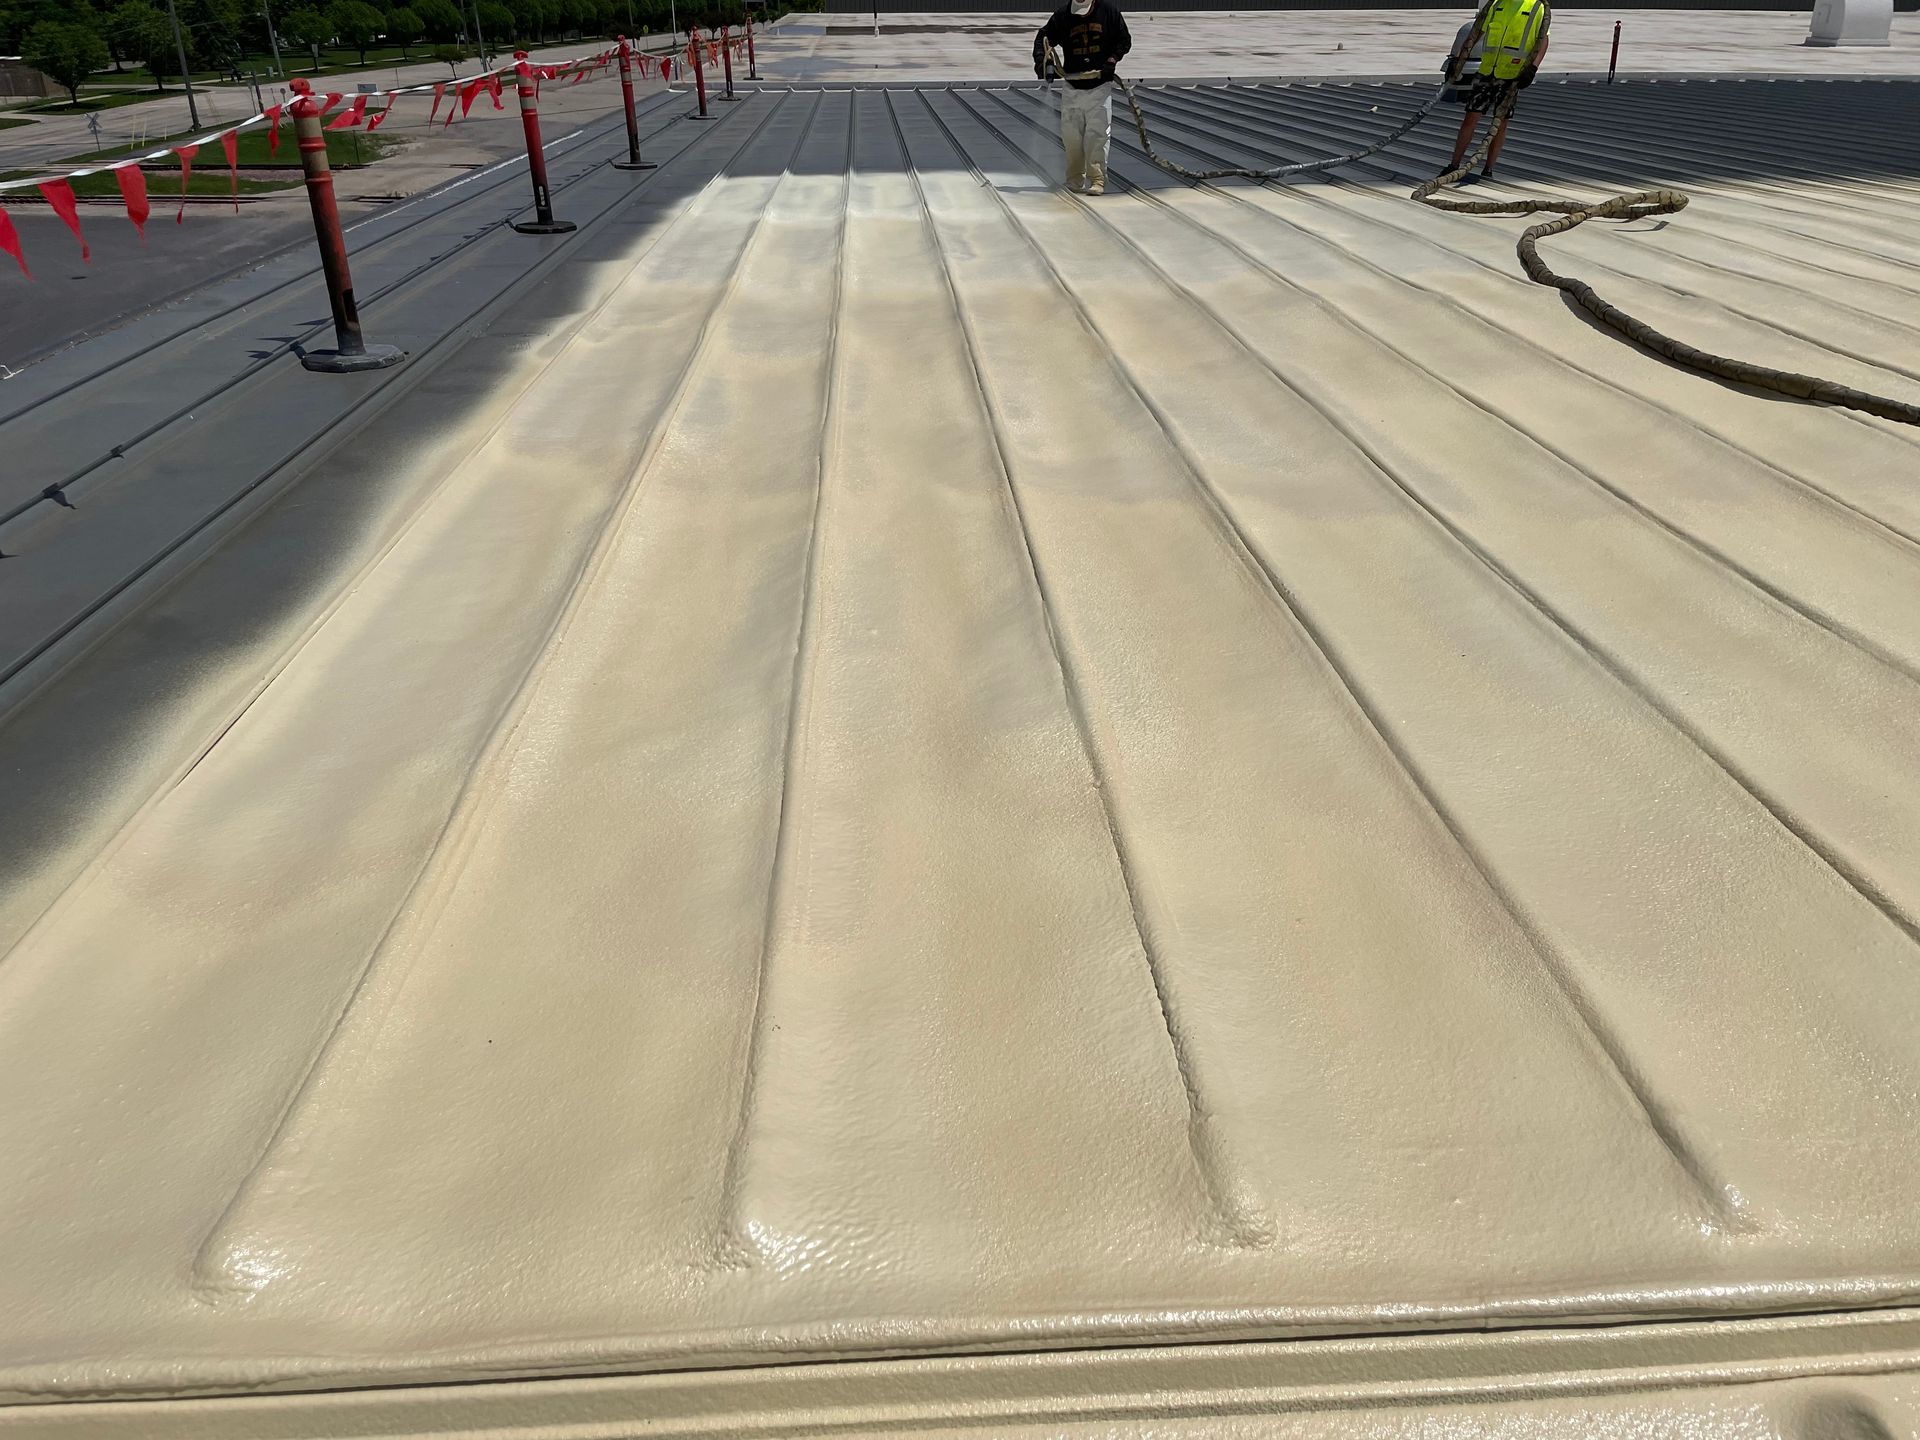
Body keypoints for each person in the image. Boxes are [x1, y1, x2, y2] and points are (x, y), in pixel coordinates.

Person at [1441, 0, 1550, 182]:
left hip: (1511, 76)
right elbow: (1477, 32)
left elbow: (1543, 40)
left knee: (1500, 124)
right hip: (1486, 72)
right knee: (1470, 117)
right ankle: (1454, 164)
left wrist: (1533, 68)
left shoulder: (1537, 7)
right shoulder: (1496, 5)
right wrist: (1457, 60)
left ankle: (1488, 169)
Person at [1033, 0, 1132, 195]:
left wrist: (1112, 60)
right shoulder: (1063, 15)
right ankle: (1074, 180)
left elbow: (1124, 40)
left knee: (1097, 135)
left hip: (1099, 86)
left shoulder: (1108, 12)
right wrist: (1041, 61)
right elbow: (1043, 38)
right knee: (1071, 137)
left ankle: (1097, 179)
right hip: (1073, 86)